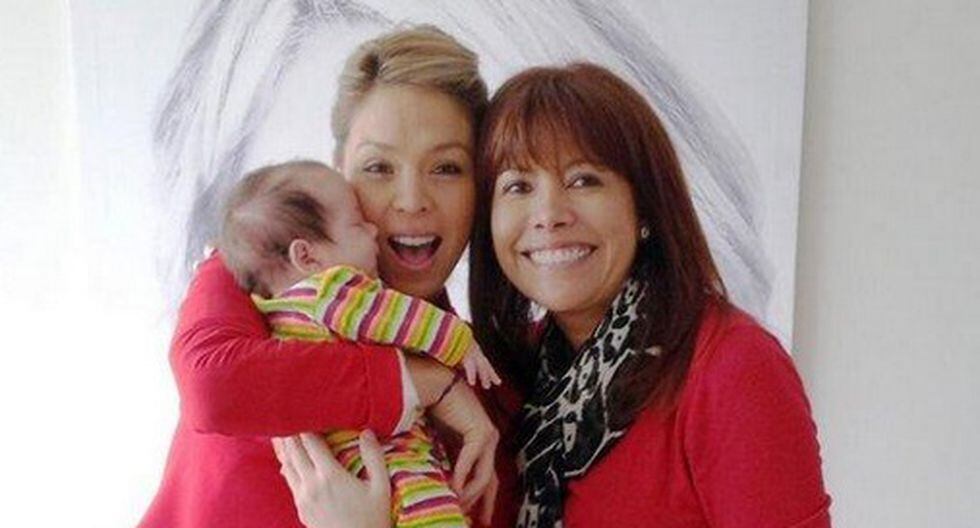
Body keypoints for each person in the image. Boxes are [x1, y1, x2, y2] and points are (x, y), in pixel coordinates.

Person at [276, 63, 831, 527]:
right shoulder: (516, 373)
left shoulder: (731, 367)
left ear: (644, 205)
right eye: (518, 186)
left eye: (584, 180)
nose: (548, 215)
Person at [140, 25, 500, 528]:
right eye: (378, 167)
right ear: (338, 171)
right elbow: (213, 385)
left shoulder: (480, 377)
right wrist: (421, 384)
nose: (412, 200)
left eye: (446, 168)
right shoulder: (258, 270)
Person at [216, 159, 501, 527]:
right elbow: (397, 317)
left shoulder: (273, 315)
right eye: (357, 223)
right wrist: (460, 341)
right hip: (392, 463)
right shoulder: (330, 290)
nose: (372, 229)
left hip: (350, 472)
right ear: (306, 256)